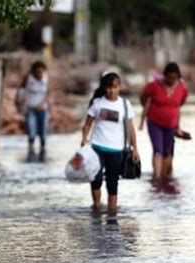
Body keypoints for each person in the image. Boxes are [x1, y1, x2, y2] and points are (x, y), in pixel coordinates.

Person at [81, 72, 140, 215]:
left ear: (119, 87)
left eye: (114, 87)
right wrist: (84, 139)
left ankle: (112, 213)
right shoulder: (97, 103)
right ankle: (96, 207)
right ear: (104, 88)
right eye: (108, 88)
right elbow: (87, 124)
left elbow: (131, 128)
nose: (111, 91)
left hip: (116, 150)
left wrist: (135, 148)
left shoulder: (124, 105)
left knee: (112, 182)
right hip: (97, 147)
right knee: (96, 178)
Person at [140, 62, 188, 189]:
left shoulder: (182, 88)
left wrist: (177, 125)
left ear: (178, 78)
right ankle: (157, 178)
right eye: (169, 78)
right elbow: (143, 97)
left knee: (167, 152)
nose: (171, 81)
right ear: (164, 76)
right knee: (158, 150)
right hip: (154, 122)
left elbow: (180, 104)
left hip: (171, 125)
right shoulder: (154, 86)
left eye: (174, 78)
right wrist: (146, 109)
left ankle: (165, 176)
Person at [21, 60, 51, 162]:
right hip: (31, 108)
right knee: (31, 128)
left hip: (43, 109)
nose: (39, 74)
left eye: (41, 72)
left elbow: (48, 93)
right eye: (37, 72)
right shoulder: (28, 79)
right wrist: (21, 105)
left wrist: (43, 104)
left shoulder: (46, 79)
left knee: (43, 129)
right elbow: (21, 92)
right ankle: (31, 147)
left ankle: (43, 147)